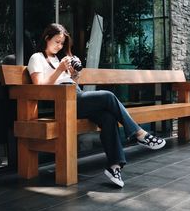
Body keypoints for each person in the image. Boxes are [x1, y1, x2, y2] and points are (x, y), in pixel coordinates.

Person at [27, 23, 166, 187]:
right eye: (57, 41)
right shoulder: (36, 58)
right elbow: (39, 87)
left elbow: (72, 83)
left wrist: (74, 74)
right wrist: (59, 70)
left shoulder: (58, 59)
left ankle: (114, 167)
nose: (60, 46)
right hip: (64, 102)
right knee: (108, 96)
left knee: (108, 118)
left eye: (62, 43)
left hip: (75, 95)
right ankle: (139, 133)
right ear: (47, 38)